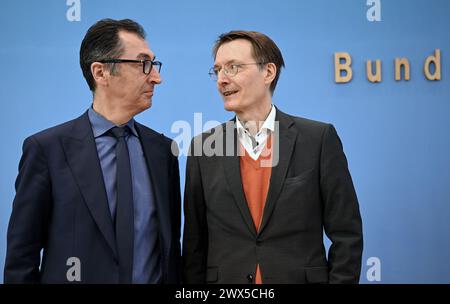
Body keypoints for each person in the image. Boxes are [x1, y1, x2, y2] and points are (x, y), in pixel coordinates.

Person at [4, 19, 181, 284]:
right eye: (144, 64)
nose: (157, 77)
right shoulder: (46, 150)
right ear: (100, 72)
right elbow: (21, 260)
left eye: (154, 64)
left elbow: (170, 253)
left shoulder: (163, 152)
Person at [182, 30, 363, 284]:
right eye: (218, 70)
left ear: (268, 72)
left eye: (233, 67)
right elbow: (194, 245)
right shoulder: (203, 147)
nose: (222, 79)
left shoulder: (317, 139)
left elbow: (347, 235)